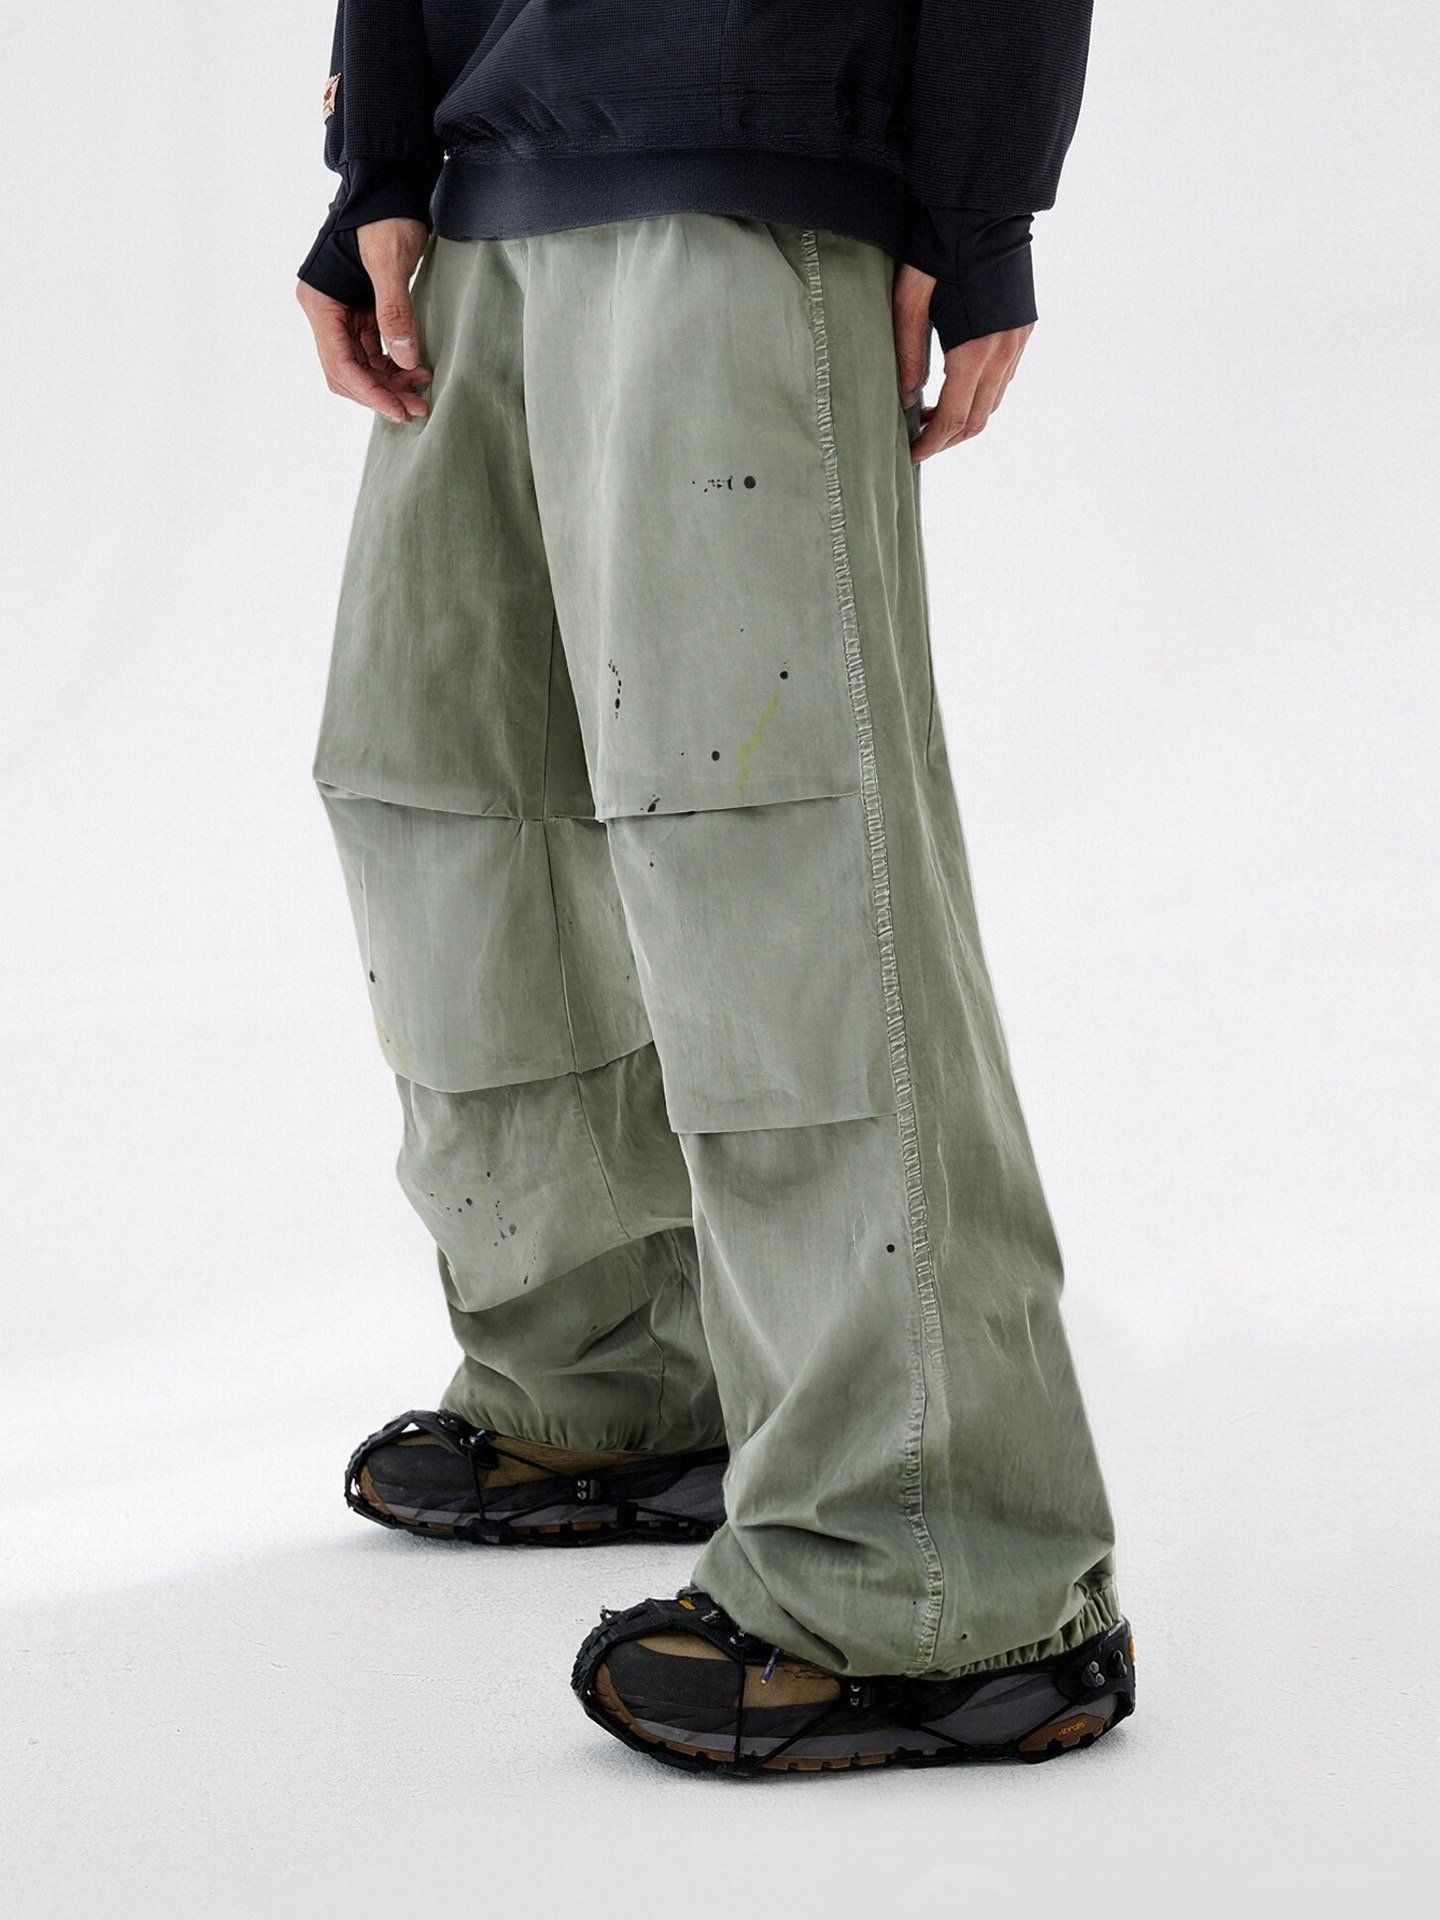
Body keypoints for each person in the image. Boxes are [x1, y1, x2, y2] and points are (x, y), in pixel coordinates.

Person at [296, 0, 1131, 1775]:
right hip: (486, 172)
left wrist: (980, 198)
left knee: (780, 865)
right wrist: (377, 153)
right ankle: (613, 1380)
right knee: (448, 801)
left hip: (754, 147)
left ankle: (940, 1577)